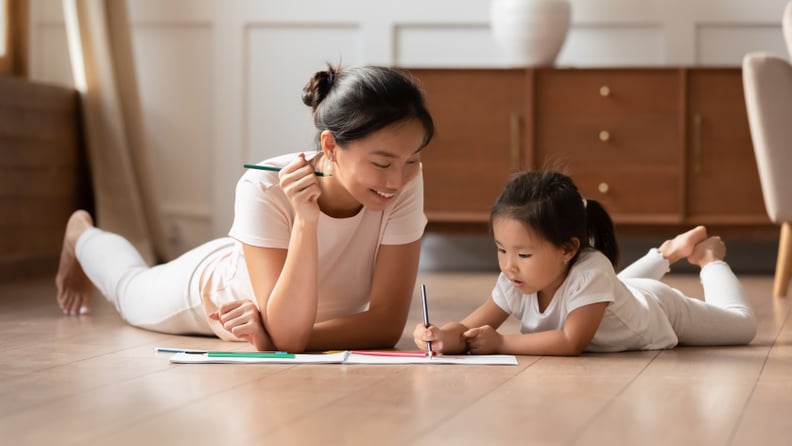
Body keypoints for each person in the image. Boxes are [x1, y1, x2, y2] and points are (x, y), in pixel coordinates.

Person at [56, 63, 435, 353]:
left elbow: (386, 325)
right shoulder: (264, 185)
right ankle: (82, 235)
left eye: (412, 160)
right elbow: (290, 333)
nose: (397, 180)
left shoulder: (403, 181)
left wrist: (278, 340)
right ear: (331, 146)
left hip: (278, 301)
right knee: (129, 289)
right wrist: (305, 220)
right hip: (216, 289)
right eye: (382, 163)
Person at [414, 171, 758, 356]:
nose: (508, 265)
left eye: (523, 254)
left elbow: (570, 341)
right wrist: (442, 336)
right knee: (612, 284)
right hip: (618, 294)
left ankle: (710, 258)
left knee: (742, 327)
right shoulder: (517, 278)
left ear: (567, 250)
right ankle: (667, 251)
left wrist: (502, 343)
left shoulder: (591, 271)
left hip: (657, 310)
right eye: (501, 250)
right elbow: (470, 328)